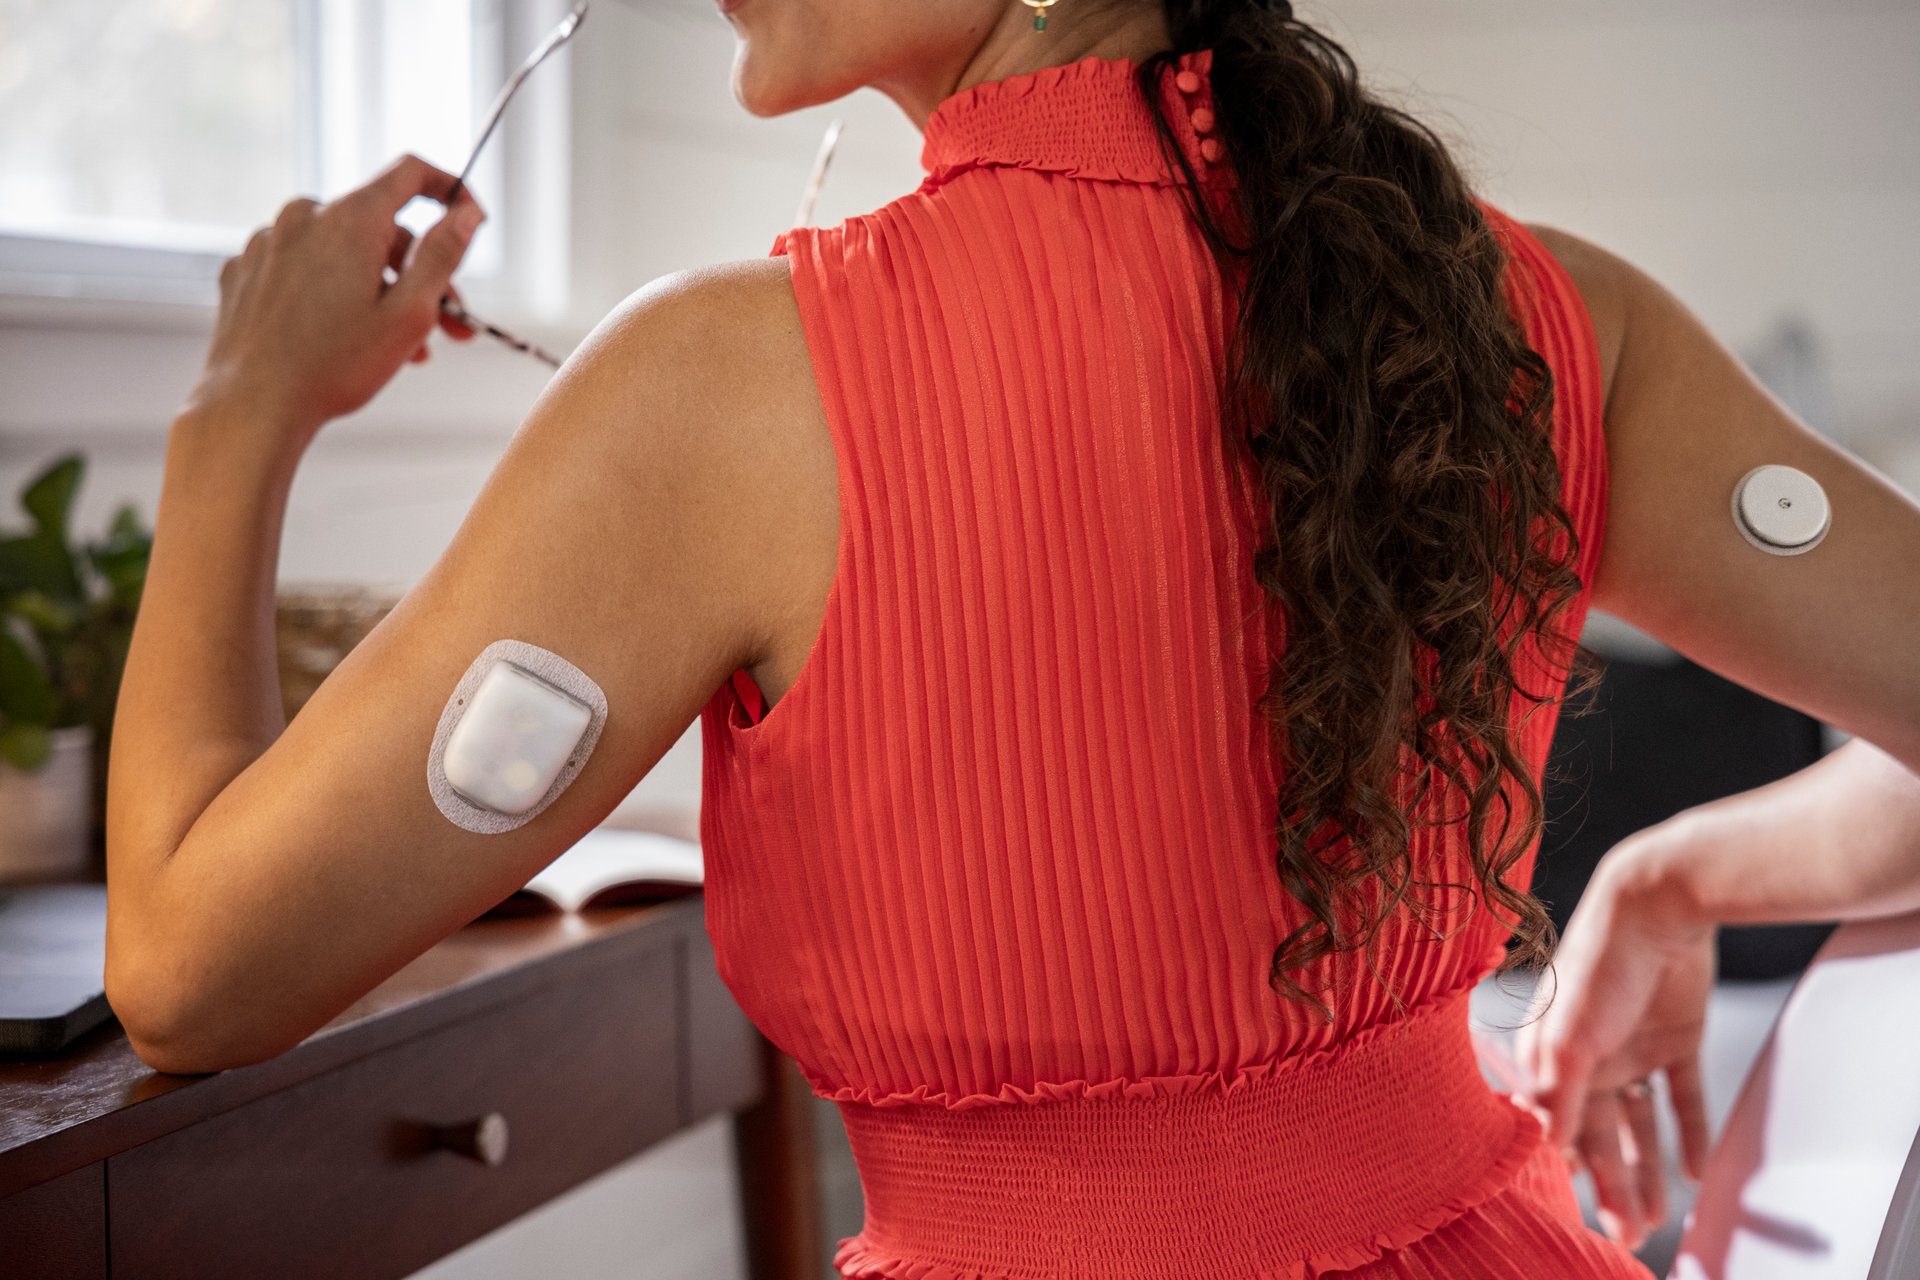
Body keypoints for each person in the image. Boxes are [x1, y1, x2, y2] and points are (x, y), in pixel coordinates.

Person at [100, 0, 1919, 1277]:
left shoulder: (719, 396)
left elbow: (192, 969)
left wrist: (239, 415)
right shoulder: (1551, 316)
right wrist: (1688, 879)